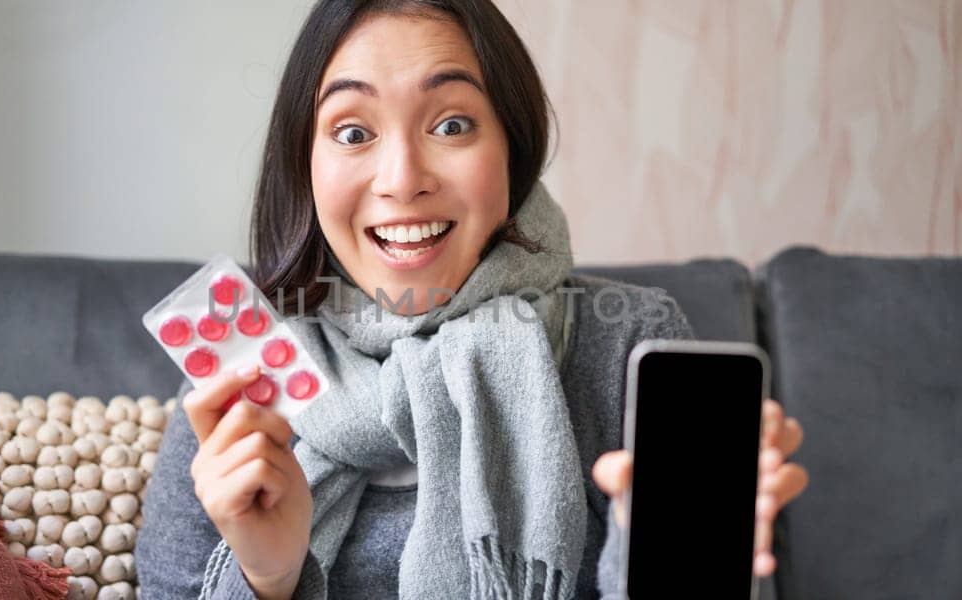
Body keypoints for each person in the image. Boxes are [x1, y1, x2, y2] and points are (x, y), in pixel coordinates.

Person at [137, 1, 808, 598]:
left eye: (453, 124)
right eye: (352, 132)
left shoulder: (626, 341)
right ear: (303, 164)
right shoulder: (244, 373)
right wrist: (269, 577)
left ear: (513, 150)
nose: (402, 180)